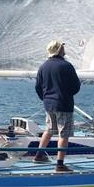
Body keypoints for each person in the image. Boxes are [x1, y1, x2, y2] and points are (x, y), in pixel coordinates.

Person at [34, 40, 80, 172]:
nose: (64, 49)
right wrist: (67, 95)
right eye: (62, 48)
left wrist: (45, 99)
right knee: (64, 134)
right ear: (59, 50)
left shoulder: (43, 66)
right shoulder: (67, 66)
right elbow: (76, 86)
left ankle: (39, 155)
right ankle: (60, 164)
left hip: (49, 104)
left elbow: (38, 87)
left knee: (49, 130)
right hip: (64, 104)